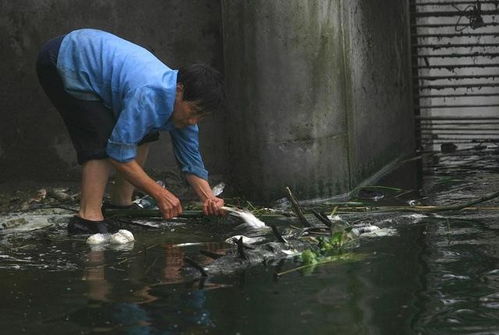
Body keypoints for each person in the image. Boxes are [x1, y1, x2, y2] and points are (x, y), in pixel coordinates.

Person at [36, 28, 225, 234]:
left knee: (143, 133)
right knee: (101, 138)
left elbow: (191, 161)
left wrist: (209, 198)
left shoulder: (183, 108)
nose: (193, 120)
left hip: (93, 61)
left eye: (201, 117)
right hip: (66, 59)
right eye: (194, 111)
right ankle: (87, 218)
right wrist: (160, 193)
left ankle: (121, 204)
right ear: (179, 90)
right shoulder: (148, 94)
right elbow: (118, 155)